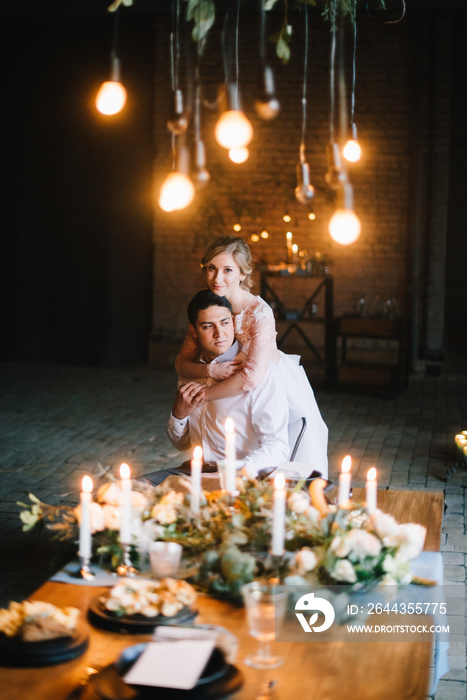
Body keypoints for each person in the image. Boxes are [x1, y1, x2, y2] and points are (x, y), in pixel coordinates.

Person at [176, 235, 328, 476]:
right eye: (212, 269)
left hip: (266, 381)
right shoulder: (207, 306)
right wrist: (209, 371)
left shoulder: (259, 312)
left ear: (242, 274)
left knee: (278, 448)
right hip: (223, 378)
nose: (217, 278)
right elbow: (182, 363)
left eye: (227, 270)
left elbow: (251, 378)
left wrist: (204, 395)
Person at [167, 290, 290, 478]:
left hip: (244, 478)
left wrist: (235, 473)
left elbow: (277, 447)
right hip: (194, 473)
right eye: (208, 326)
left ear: (233, 322)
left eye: (224, 323)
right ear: (193, 331)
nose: (219, 334)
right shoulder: (192, 372)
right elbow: (181, 444)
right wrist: (178, 414)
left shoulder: (259, 371)